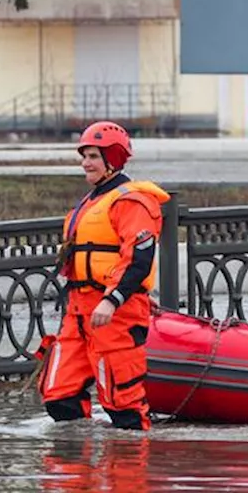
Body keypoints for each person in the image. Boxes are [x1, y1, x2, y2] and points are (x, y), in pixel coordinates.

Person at [36, 120, 171, 431]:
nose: (85, 162)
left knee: (123, 403)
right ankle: (77, 475)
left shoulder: (132, 201)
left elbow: (138, 258)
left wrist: (113, 299)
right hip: (79, 311)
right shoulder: (92, 200)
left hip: (114, 313)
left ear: (114, 158)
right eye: (84, 155)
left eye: (94, 156)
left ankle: (130, 469)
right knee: (59, 395)